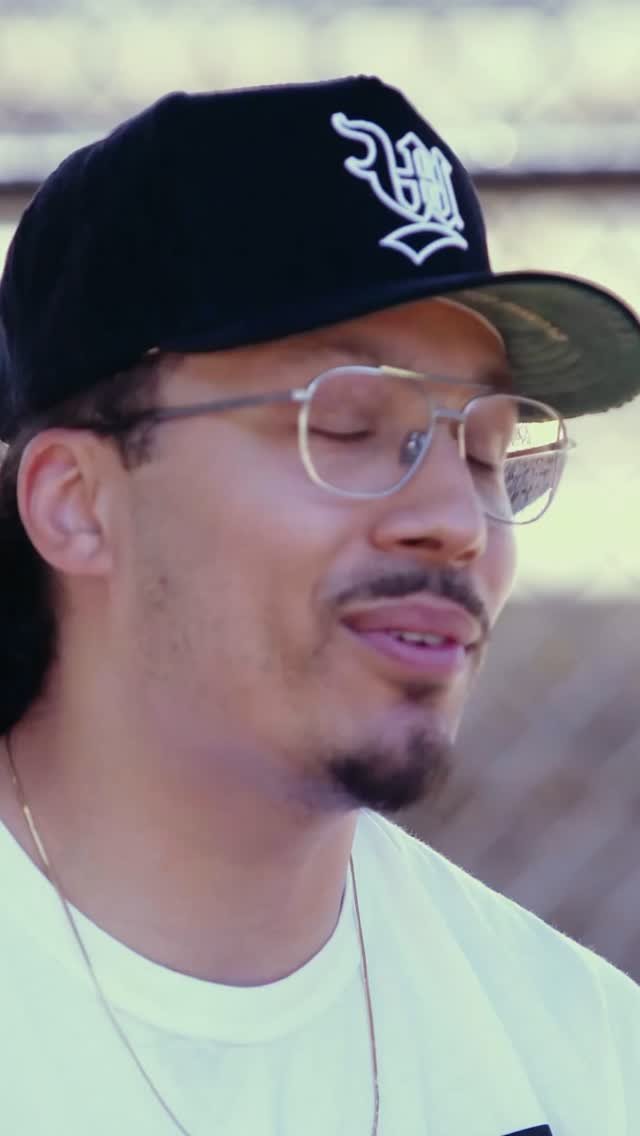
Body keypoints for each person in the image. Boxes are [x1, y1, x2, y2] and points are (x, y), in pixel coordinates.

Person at [0, 75, 638, 1136]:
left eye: (487, 450)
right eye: (344, 425)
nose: (457, 520)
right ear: (77, 504)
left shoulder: (586, 1065)